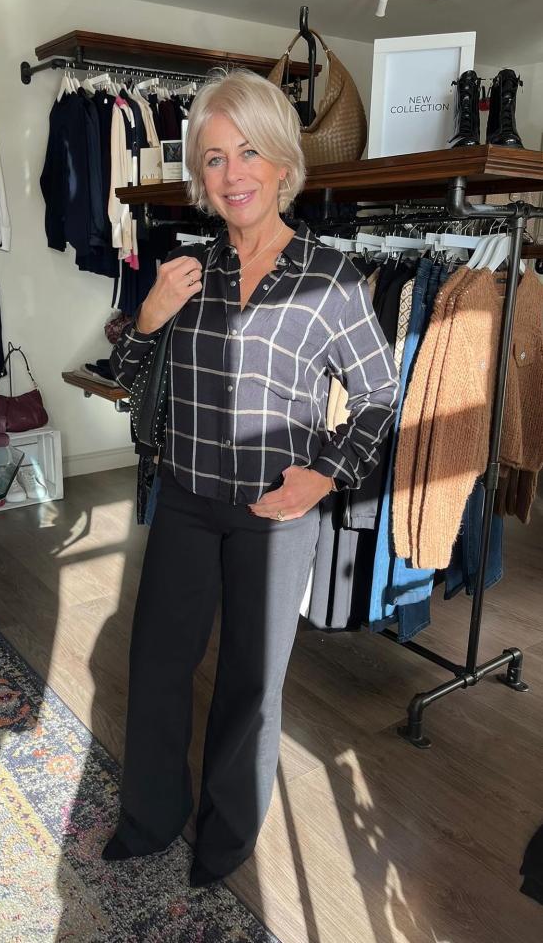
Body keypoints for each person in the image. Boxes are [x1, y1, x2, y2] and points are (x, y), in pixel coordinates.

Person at [106, 69, 398, 887]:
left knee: (250, 683)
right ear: (199, 177)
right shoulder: (185, 273)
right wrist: (147, 319)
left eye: (248, 153)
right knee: (158, 665)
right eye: (213, 159)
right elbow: (129, 376)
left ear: (281, 164)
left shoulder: (332, 279)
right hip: (186, 500)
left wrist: (325, 477)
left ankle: (226, 837)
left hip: (276, 516)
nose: (232, 174)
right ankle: (150, 817)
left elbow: (379, 394)